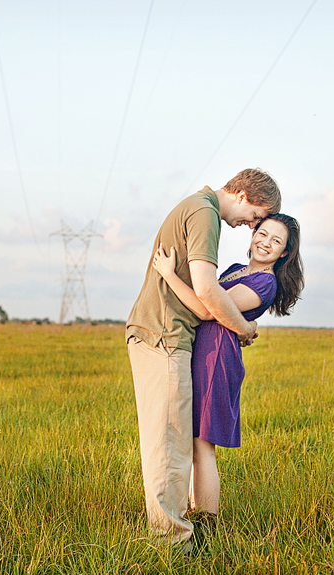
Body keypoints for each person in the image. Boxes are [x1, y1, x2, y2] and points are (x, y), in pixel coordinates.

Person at [125, 168, 282, 549]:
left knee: (180, 442)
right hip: (164, 334)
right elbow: (208, 293)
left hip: (171, 335)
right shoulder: (204, 213)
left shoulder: (199, 208)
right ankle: (171, 544)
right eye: (257, 217)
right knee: (170, 444)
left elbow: (207, 294)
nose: (252, 226)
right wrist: (244, 330)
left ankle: (179, 530)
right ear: (243, 196)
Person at [151, 213, 304, 546]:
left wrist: (167, 275)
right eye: (263, 234)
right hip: (201, 351)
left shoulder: (265, 283)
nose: (266, 243)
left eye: (276, 242)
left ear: (283, 254)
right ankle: (194, 514)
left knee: (203, 443)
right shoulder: (236, 269)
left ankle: (208, 526)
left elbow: (209, 308)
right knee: (193, 442)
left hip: (217, 358)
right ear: (253, 236)